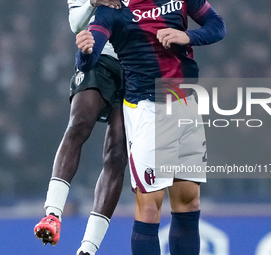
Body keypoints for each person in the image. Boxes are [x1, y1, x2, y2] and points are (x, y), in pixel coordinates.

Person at [75, 0, 225, 254]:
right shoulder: (111, 8)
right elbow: (88, 61)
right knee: (149, 206)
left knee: (189, 201)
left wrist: (187, 36)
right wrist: (85, 52)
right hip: (148, 110)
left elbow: (217, 26)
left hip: (187, 103)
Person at [34, 0, 128, 255]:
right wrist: (92, 2)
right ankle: (53, 214)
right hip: (97, 56)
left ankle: (88, 248)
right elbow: (76, 23)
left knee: (117, 153)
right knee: (79, 124)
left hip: (136, 63)